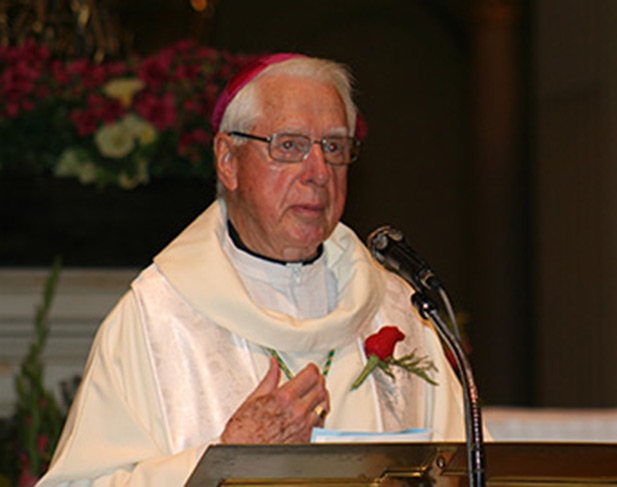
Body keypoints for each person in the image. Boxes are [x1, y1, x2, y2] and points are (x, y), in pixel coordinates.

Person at [37, 53, 466, 486]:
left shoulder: (398, 310)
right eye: (289, 145)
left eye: (334, 147)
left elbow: (469, 469)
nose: (319, 172)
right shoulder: (156, 320)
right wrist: (224, 461)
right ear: (228, 160)